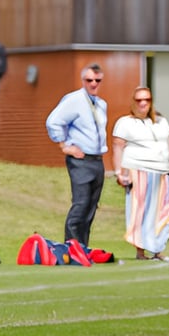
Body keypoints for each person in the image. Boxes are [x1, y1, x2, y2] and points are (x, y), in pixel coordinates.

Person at [111, 87, 169, 260]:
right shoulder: (125, 122)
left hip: (161, 173)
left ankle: (158, 249)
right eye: (139, 100)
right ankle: (140, 251)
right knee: (139, 211)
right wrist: (120, 172)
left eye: (147, 100)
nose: (143, 103)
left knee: (161, 210)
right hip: (138, 171)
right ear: (133, 102)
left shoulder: (161, 122)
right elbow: (117, 147)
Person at [45, 64, 108, 246]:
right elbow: (53, 121)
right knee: (80, 203)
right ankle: (71, 246)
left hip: (97, 159)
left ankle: (83, 247)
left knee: (91, 206)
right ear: (83, 81)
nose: (93, 84)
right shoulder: (75, 100)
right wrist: (64, 145)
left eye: (97, 80)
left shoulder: (101, 104)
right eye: (89, 80)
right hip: (80, 160)